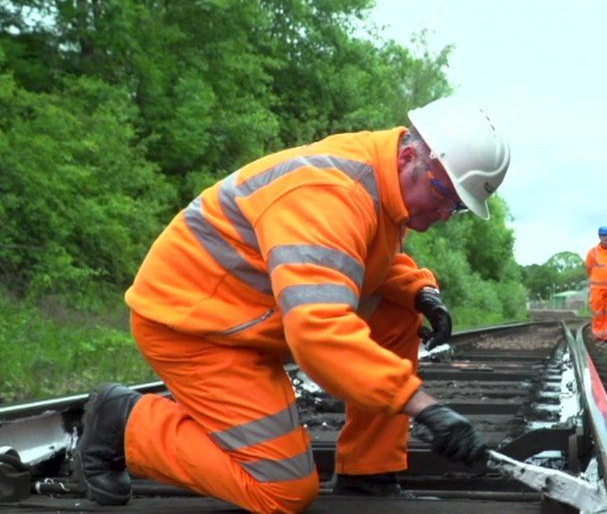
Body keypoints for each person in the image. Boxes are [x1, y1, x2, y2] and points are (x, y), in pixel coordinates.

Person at [73, 96, 511, 513]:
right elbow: (318, 331)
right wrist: (423, 406)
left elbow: (355, 258)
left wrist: (419, 290)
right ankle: (125, 422)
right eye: (442, 195)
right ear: (409, 157)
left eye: (456, 207)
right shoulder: (330, 193)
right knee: (282, 491)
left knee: (398, 310)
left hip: (247, 317)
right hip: (194, 328)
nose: (442, 214)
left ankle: (369, 470)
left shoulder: (378, 183)